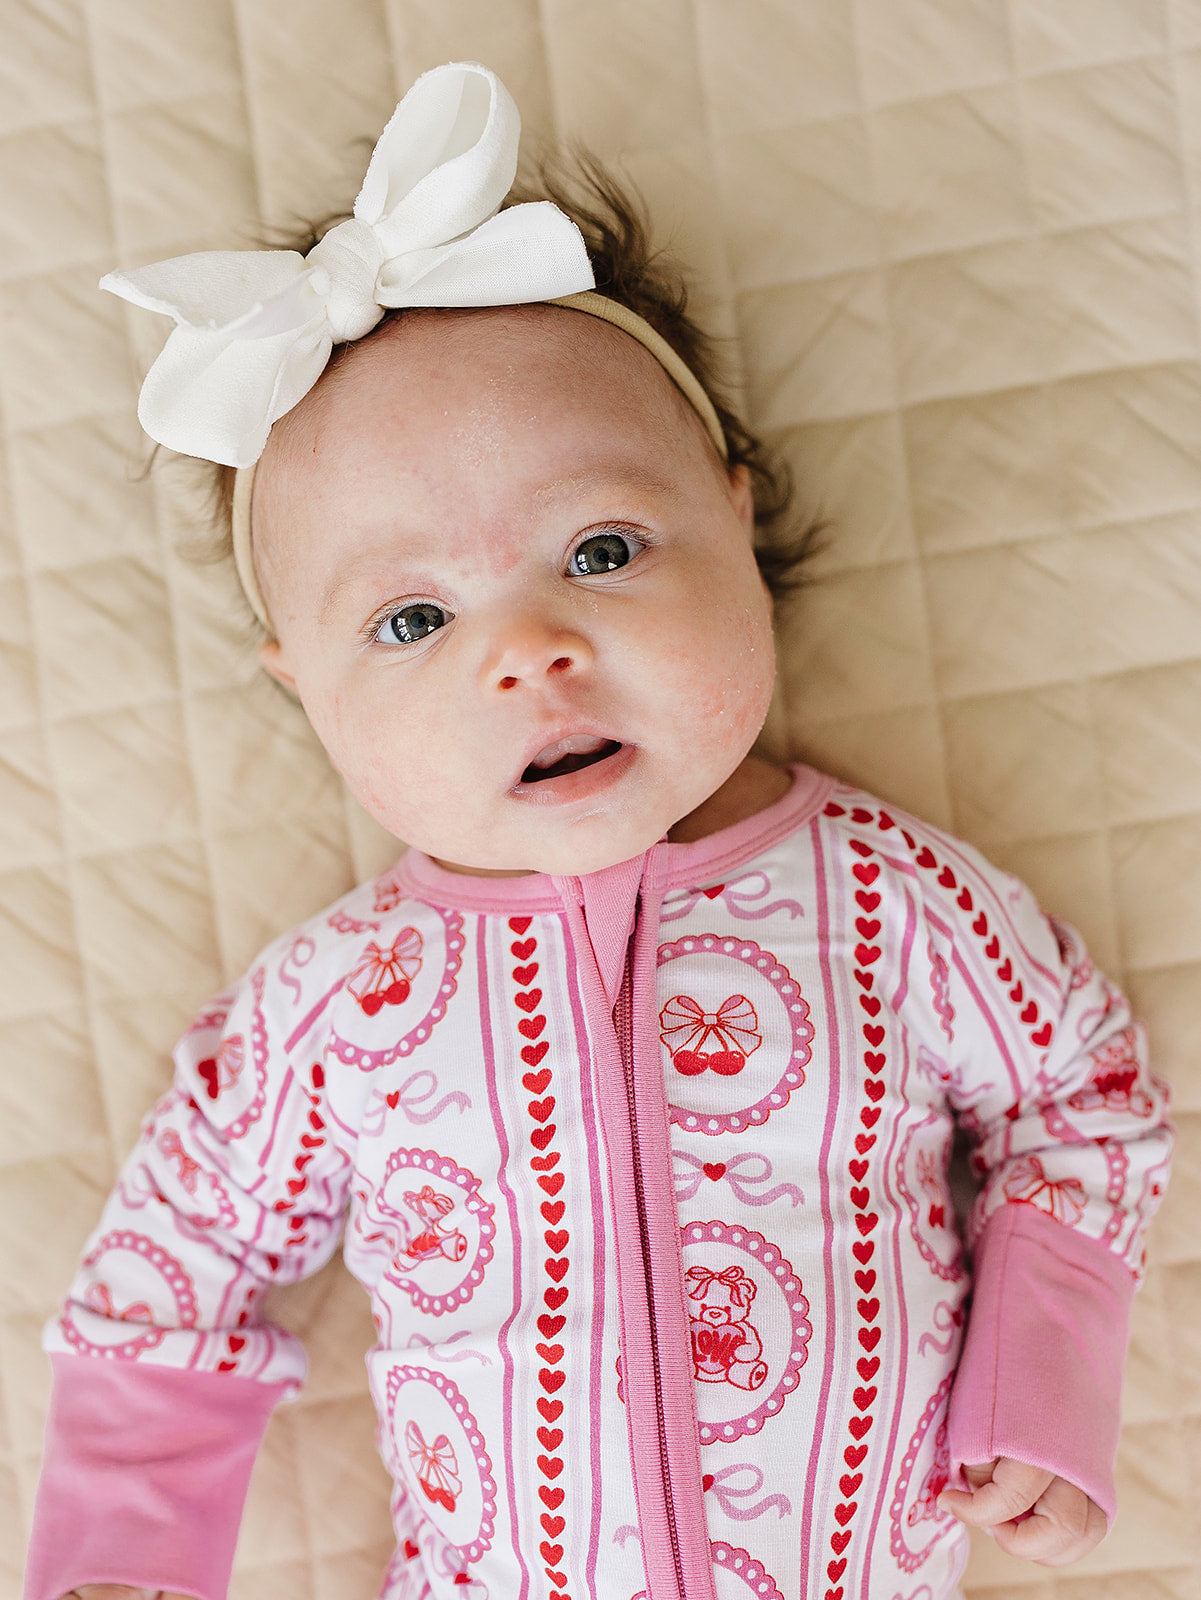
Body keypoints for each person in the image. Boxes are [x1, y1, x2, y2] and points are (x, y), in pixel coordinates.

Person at [24, 62, 1172, 1600]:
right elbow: (170, 1264)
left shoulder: (893, 902)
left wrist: (1039, 1382)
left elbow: (1082, 1102)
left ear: (737, 527)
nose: (529, 650)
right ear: (307, 693)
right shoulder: (333, 1007)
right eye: (413, 619)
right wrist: (123, 1562)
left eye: (603, 548)